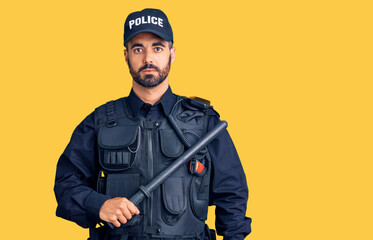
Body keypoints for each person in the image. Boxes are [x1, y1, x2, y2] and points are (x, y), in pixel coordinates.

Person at [54, 8, 251, 240]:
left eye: (157, 48)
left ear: (172, 53)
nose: (148, 58)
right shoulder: (99, 122)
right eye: (138, 49)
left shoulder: (205, 122)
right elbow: (66, 184)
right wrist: (98, 204)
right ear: (126, 56)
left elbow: (232, 195)